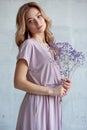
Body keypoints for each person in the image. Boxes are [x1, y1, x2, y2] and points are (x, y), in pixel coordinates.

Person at [14, 2, 71, 130]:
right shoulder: (29, 45)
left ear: (44, 17)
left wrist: (61, 85)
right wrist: (52, 90)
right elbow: (18, 82)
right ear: (26, 26)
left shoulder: (52, 47)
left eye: (39, 16)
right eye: (30, 21)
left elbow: (45, 77)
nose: (37, 22)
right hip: (37, 106)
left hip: (53, 105)